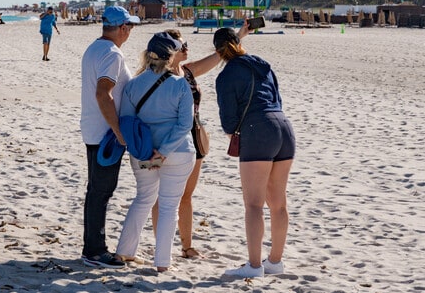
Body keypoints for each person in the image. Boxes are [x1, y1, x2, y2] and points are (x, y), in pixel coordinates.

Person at [150, 26, 248, 259]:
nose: (187, 47)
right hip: (164, 139)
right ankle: (161, 246)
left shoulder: (188, 71)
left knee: (186, 195)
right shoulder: (154, 76)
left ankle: (186, 246)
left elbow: (219, 56)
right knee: (160, 195)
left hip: (194, 138)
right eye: (182, 45)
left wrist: (240, 36)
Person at [213, 27, 296, 278]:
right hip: (283, 126)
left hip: (258, 129)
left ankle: (254, 266)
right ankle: (275, 262)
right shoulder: (263, 65)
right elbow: (276, 98)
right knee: (278, 204)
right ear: (239, 43)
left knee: (253, 205)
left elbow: (228, 119)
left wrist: (237, 137)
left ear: (218, 51)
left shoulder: (226, 75)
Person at [115, 32, 195, 273]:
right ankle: (162, 263)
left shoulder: (133, 84)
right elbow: (185, 124)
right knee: (169, 206)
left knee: (143, 199)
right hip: (177, 154)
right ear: (170, 56)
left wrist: (151, 151)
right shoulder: (180, 84)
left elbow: (127, 121)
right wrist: (164, 151)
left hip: (143, 153)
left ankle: (125, 251)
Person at [80, 5, 140, 268]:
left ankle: (91, 247)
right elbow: (103, 93)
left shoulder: (94, 48)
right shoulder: (112, 54)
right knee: (101, 191)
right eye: (131, 27)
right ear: (123, 28)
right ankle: (94, 250)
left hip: (94, 129)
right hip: (105, 133)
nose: (131, 32)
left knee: (96, 191)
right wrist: (118, 131)